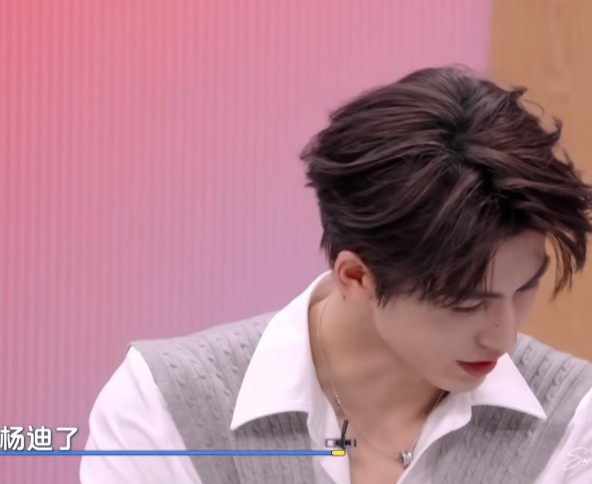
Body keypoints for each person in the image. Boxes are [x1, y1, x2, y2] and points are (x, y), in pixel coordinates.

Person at [79, 65, 592, 484]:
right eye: (465, 303)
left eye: (525, 287)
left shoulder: (577, 420)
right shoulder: (163, 406)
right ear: (356, 277)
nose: (503, 336)